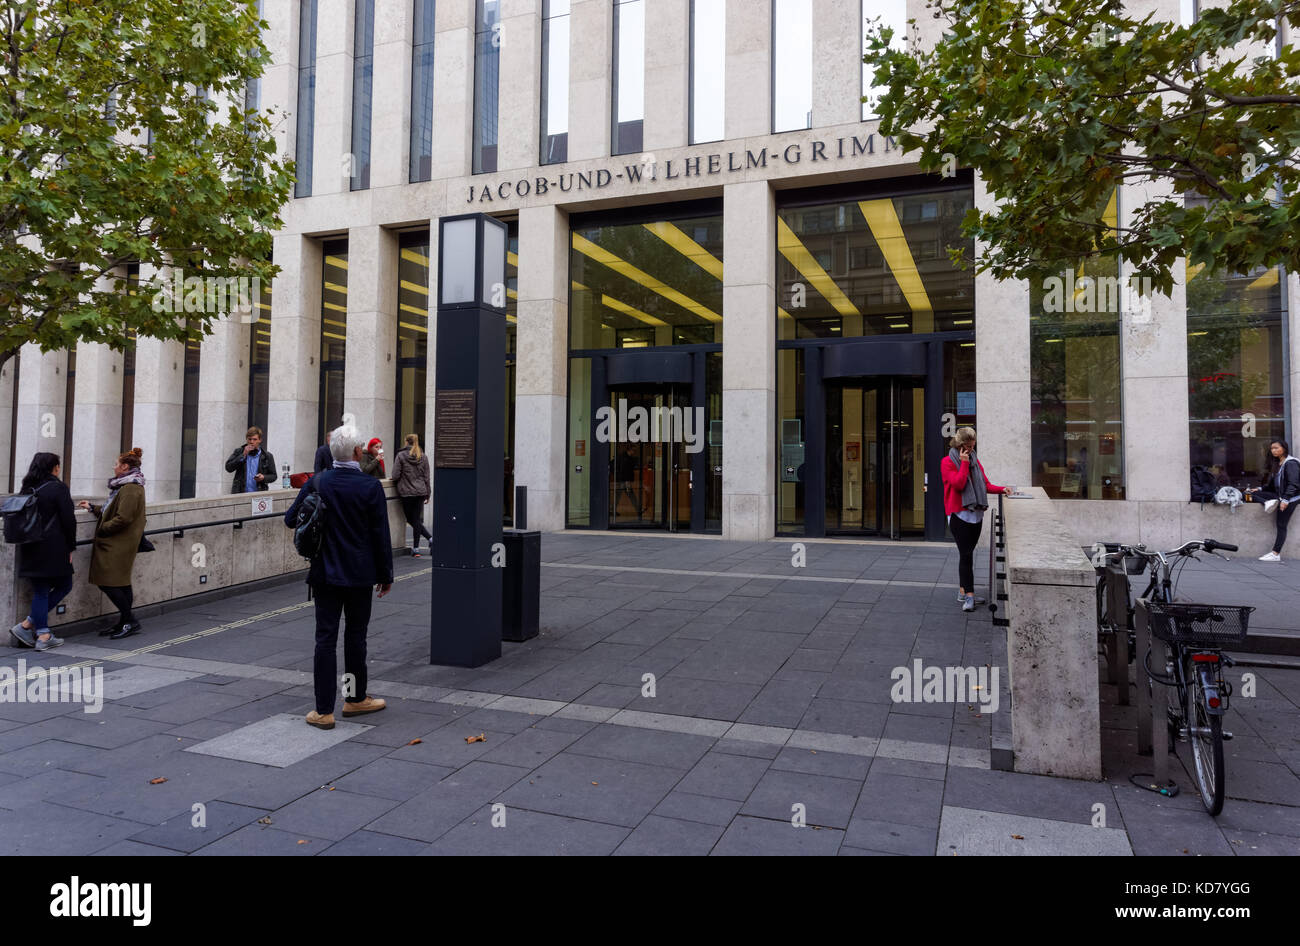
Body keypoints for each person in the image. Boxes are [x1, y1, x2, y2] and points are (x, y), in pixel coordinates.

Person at [284, 425, 393, 730]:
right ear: (358, 452)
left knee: (325, 640)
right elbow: (380, 536)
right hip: (360, 575)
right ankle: (355, 698)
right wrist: (385, 575)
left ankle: (323, 710)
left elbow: (290, 519)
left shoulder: (318, 482)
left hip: (325, 574)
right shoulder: (370, 487)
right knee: (356, 637)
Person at [77, 448, 148, 639]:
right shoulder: (125, 486)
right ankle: (125, 622)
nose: (113, 467)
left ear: (125, 467)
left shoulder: (131, 488)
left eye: (116, 464)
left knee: (108, 582)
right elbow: (112, 509)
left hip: (119, 543)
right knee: (121, 582)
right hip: (119, 542)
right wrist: (92, 508)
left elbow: (123, 517)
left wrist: (102, 529)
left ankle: (130, 620)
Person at [9, 453, 76, 651]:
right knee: (65, 584)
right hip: (53, 547)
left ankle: (31, 627)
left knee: (40, 591)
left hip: (29, 546)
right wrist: (71, 546)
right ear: (54, 467)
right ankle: (41, 633)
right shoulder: (58, 488)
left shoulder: (27, 488)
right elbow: (68, 520)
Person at [941, 427, 1011, 612]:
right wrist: (964, 463)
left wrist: (1003, 488)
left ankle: (963, 591)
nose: (970, 450)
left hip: (976, 514)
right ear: (959, 445)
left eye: (972, 447)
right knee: (965, 555)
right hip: (959, 514)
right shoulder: (947, 462)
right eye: (967, 447)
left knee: (969, 554)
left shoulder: (975, 461)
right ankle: (969, 597)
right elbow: (958, 484)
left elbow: (985, 484)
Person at [1243, 439, 1300, 562]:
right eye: (1272, 448)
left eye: (1276, 448)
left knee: (1281, 524)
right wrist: (1258, 489)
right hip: (1278, 495)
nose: (1273, 450)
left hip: (1291, 498)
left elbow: (1293, 484)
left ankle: (1275, 553)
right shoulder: (1278, 464)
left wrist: (1285, 500)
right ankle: (1266, 502)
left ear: (1284, 448)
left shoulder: (1291, 463)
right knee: (1247, 494)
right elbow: (1273, 485)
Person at [390, 433, 432, 557]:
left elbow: (396, 475)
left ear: (406, 442)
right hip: (420, 492)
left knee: (411, 519)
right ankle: (418, 547)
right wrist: (428, 493)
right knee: (416, 519)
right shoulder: (423, 456)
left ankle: (425, 543)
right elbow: (427, 477)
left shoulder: (401, 455)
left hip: (407, 492)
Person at [225, 426, 277, 493]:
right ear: (246, 439)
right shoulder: (239, 452)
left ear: (260, 440)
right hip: (240, 493)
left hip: (259, 493)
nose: (251, 442)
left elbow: (274, 476)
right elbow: (228, 467)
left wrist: (263, 477)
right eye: (249, 439)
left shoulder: (267, 456)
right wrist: (243, 455)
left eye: (254, 439)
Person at [615, 444, 641, 518]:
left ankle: (612, 510)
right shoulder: (625, 458)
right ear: (630, 450)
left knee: (618, 496)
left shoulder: (627, 457)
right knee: (630, 495)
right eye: (634, 450)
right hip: (624, 481)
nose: (635, 452)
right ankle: (638, 510)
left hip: (623, 480)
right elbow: (624, 470)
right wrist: (627, 481)